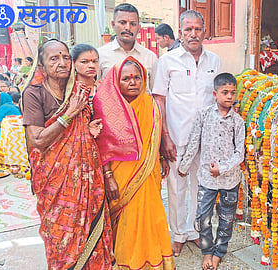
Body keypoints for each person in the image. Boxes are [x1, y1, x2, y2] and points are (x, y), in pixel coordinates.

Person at [21, 39, 115, 269]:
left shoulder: (79, 91)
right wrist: (69, 115)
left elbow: (84, 130)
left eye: (65, 57)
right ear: (41, 67)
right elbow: (37, 140)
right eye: (54, 58)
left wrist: (87, 128)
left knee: (92, 231)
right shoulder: (33, 94)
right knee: (60, 235)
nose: (62, 62)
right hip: (55, 182)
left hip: (87, 178)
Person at [93, 56, 175, 270]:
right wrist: (108, 176)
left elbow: (154, 136)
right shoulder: (106, 106)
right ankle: (125, 262)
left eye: (137, 77)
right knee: (126, 219)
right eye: (126, 78)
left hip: (148, 174)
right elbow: (102, 145)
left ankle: (152, 260)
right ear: (115, 81)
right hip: (119, 176)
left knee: (150, 215)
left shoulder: (151, 104)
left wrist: (159, 157)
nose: (133, 82)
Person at [152, 9, 222, 257]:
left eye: (198, 29)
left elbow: (217, 100)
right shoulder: (167, 61)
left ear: (205, 32)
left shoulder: (214, 61)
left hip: (206, 139)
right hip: (177, 137)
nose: (193, 34)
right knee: (176, 186)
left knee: (201, 188)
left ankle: (196, 232)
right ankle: (178, 234)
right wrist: (165, 136)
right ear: (180, 32)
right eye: (188, 29)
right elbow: (159, 99)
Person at [178, 73, 244, 270]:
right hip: (206, 179)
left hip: (230, 180)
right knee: (203, 218)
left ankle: (218, 253)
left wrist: (222, 168)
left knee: (226, 219)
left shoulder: (238, 121)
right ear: (215, 94)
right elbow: (194, 142)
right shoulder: (204, 114)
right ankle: (207, 251)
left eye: (233, 92)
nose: (229, 96)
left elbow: (240, 152)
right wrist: (183, 166)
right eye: (225, 92)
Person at [98, 3, 157, 91]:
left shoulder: (150, 57)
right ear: (113, 25)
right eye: (122, 23)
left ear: (139, 27)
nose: (127, 28)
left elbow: (155, 93)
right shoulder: (100, 55)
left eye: (133, 24)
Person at [71, 44, 100, 110]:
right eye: (84, 62)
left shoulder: (103, 89)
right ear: (73, 64)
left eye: (95, 61)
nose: (91, 66)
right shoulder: (69, 90)